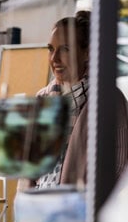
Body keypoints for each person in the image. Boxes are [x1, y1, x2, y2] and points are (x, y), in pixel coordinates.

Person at [36, 10, 128, 187]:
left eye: (65, 49)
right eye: (51, 49)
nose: (54, 58)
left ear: (87, 53)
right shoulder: (42, 98)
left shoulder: (109, 99)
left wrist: (89, 205)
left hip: (83, 209)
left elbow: (119, 164)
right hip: (40, 208)